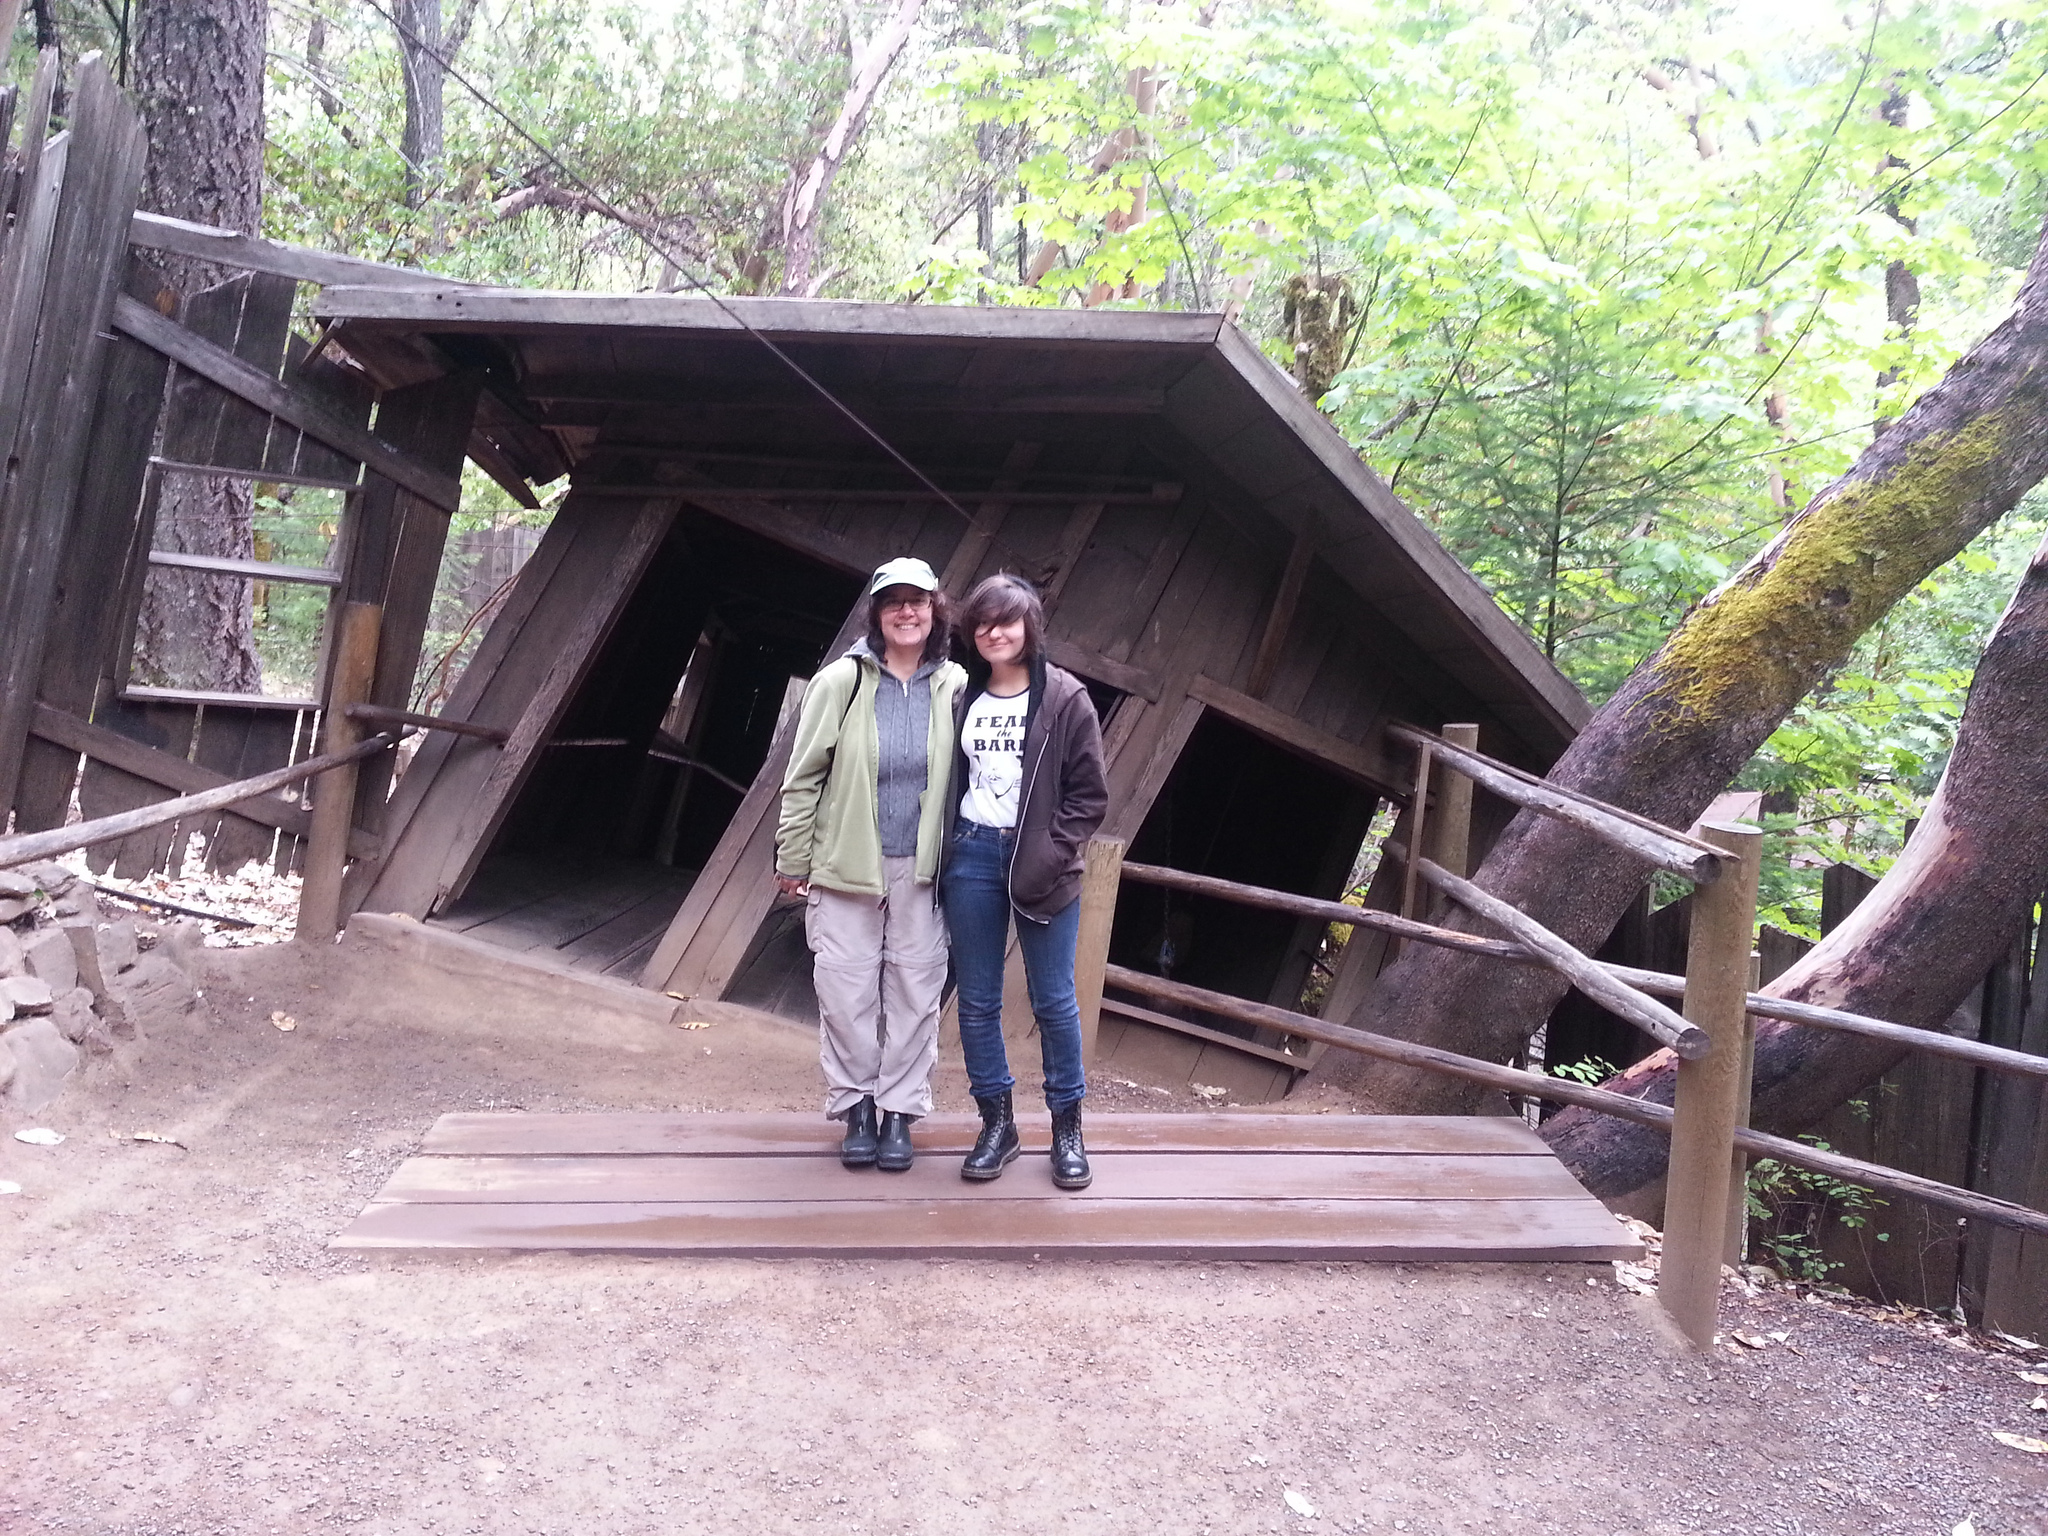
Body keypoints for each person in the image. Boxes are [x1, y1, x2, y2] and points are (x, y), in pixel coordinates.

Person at [775, 557, 965, 1172]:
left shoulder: (956, 686)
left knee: (916, 990)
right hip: (847, 864)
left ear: (936, 609)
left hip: (924, 870)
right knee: (845, 989)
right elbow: (803, 778)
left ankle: (900, 1113)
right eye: (893, 601)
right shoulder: (842, 682)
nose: (906, 611)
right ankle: (856, 1106)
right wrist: (792, 855)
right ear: (877, 613)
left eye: (918, 600)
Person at [942, 573, 1108, 1188]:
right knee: (978, 1000)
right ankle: (998, 1124)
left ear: (1029, 626)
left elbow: (1089, 797)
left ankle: (1067, 1129)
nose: (994, 632)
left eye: (1006, 621)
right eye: (983, 623)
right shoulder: (964, 696)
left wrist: (1048, 855)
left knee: (1053, 1001)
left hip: (1043, 864)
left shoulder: (1066, 698)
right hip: (973, 856)